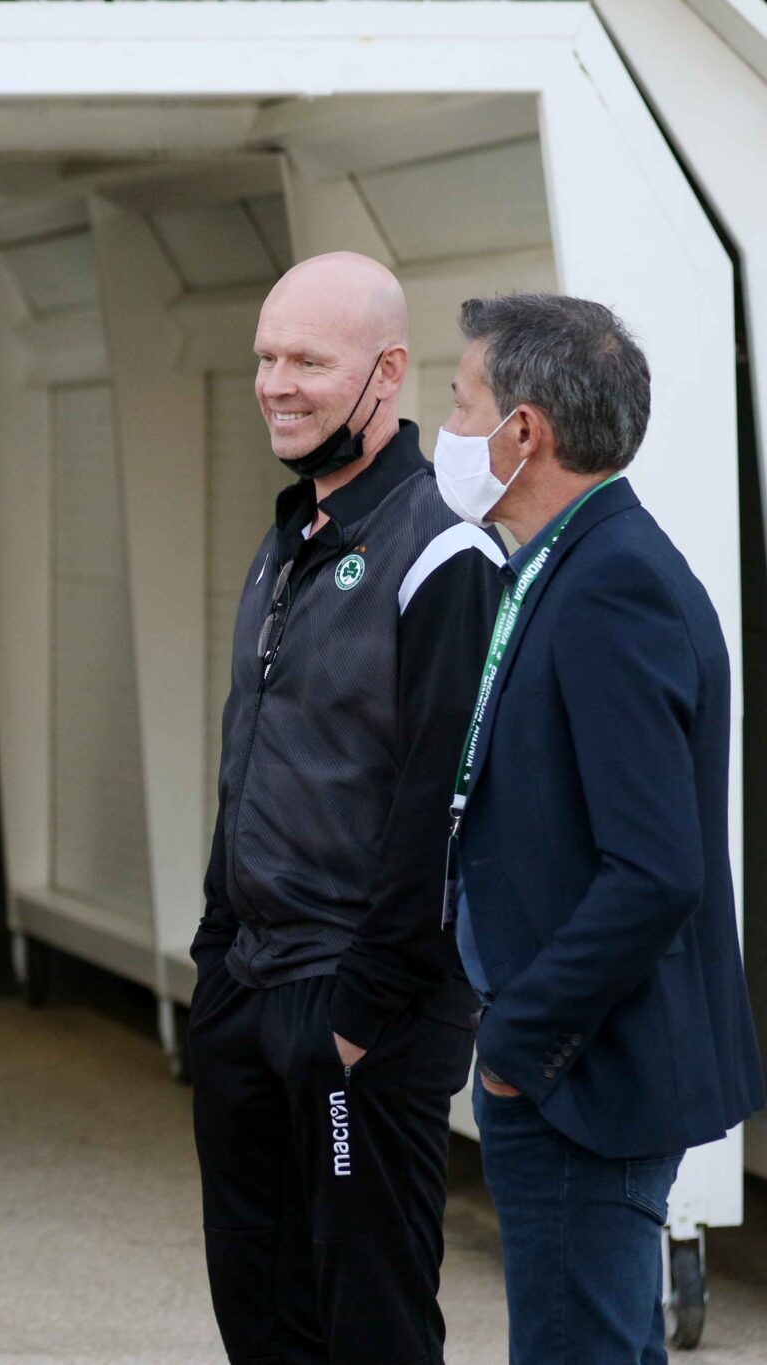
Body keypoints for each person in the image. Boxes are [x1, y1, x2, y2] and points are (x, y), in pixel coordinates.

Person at [188, 252, 506, 1363]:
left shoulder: (444, 550)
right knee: (260, 1314)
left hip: (361, 1009)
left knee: (368, 1323)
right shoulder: (290, 537)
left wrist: (360, 1014)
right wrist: (214, 960)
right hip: (250, 987)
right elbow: (250, 763)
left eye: (308, 362)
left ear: (387, 371)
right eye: (266, 358)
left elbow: (440, 803)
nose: (277, 385)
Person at [437, 293, 764, 1362]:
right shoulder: (568, 563)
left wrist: (517, 1045)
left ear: (522, 430)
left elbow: (653, 869)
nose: (448, 429)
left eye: (462, 403)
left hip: (583, 1075)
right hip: (567, 1066)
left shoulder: (610, 583)